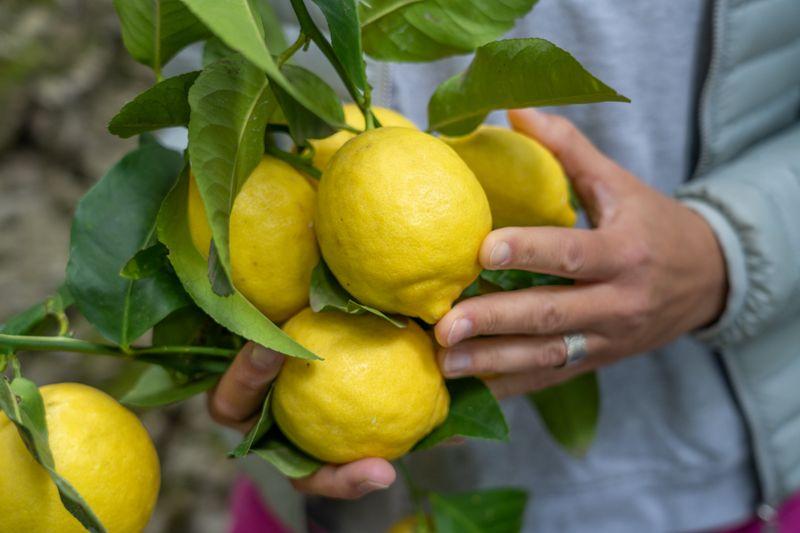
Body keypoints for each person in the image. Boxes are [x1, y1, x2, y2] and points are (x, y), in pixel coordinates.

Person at [208, 1, 800, 531]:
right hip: (339, 505)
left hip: (714, 468)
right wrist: (214, 328)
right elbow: (209, 71)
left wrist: (731, 248)